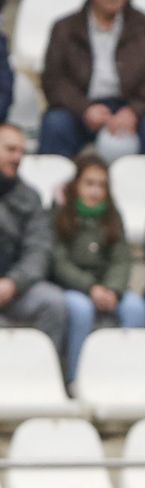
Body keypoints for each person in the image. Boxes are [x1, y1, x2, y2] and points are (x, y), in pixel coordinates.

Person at [39, 0, 145, 161]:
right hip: (82, 109)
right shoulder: (65, 28)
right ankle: (53, 189)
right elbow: (54, 80)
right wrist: (84, 109)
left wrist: (134, 111)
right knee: (56, 124)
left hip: (135, 108)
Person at [49, 153, 145, 383]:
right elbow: (58, 262)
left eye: (101, 185)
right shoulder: (59, 215)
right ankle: (76, 379)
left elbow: (122, 259)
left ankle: (126, 377)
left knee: (136, 308)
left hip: (108, 286)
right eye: (89, 183)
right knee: (81, 309)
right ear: (76, 185)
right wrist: (91, 288)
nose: (95, 191)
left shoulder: (112, 216)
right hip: (72, 288)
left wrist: (112, 289)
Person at [0, 123, 68, 358]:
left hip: (16, 288)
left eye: (21, 151)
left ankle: (43, 372)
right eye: (10, 149)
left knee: (53, 302)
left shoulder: (29, 196)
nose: (18, 157)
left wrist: (13, 283)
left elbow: (39, 249)